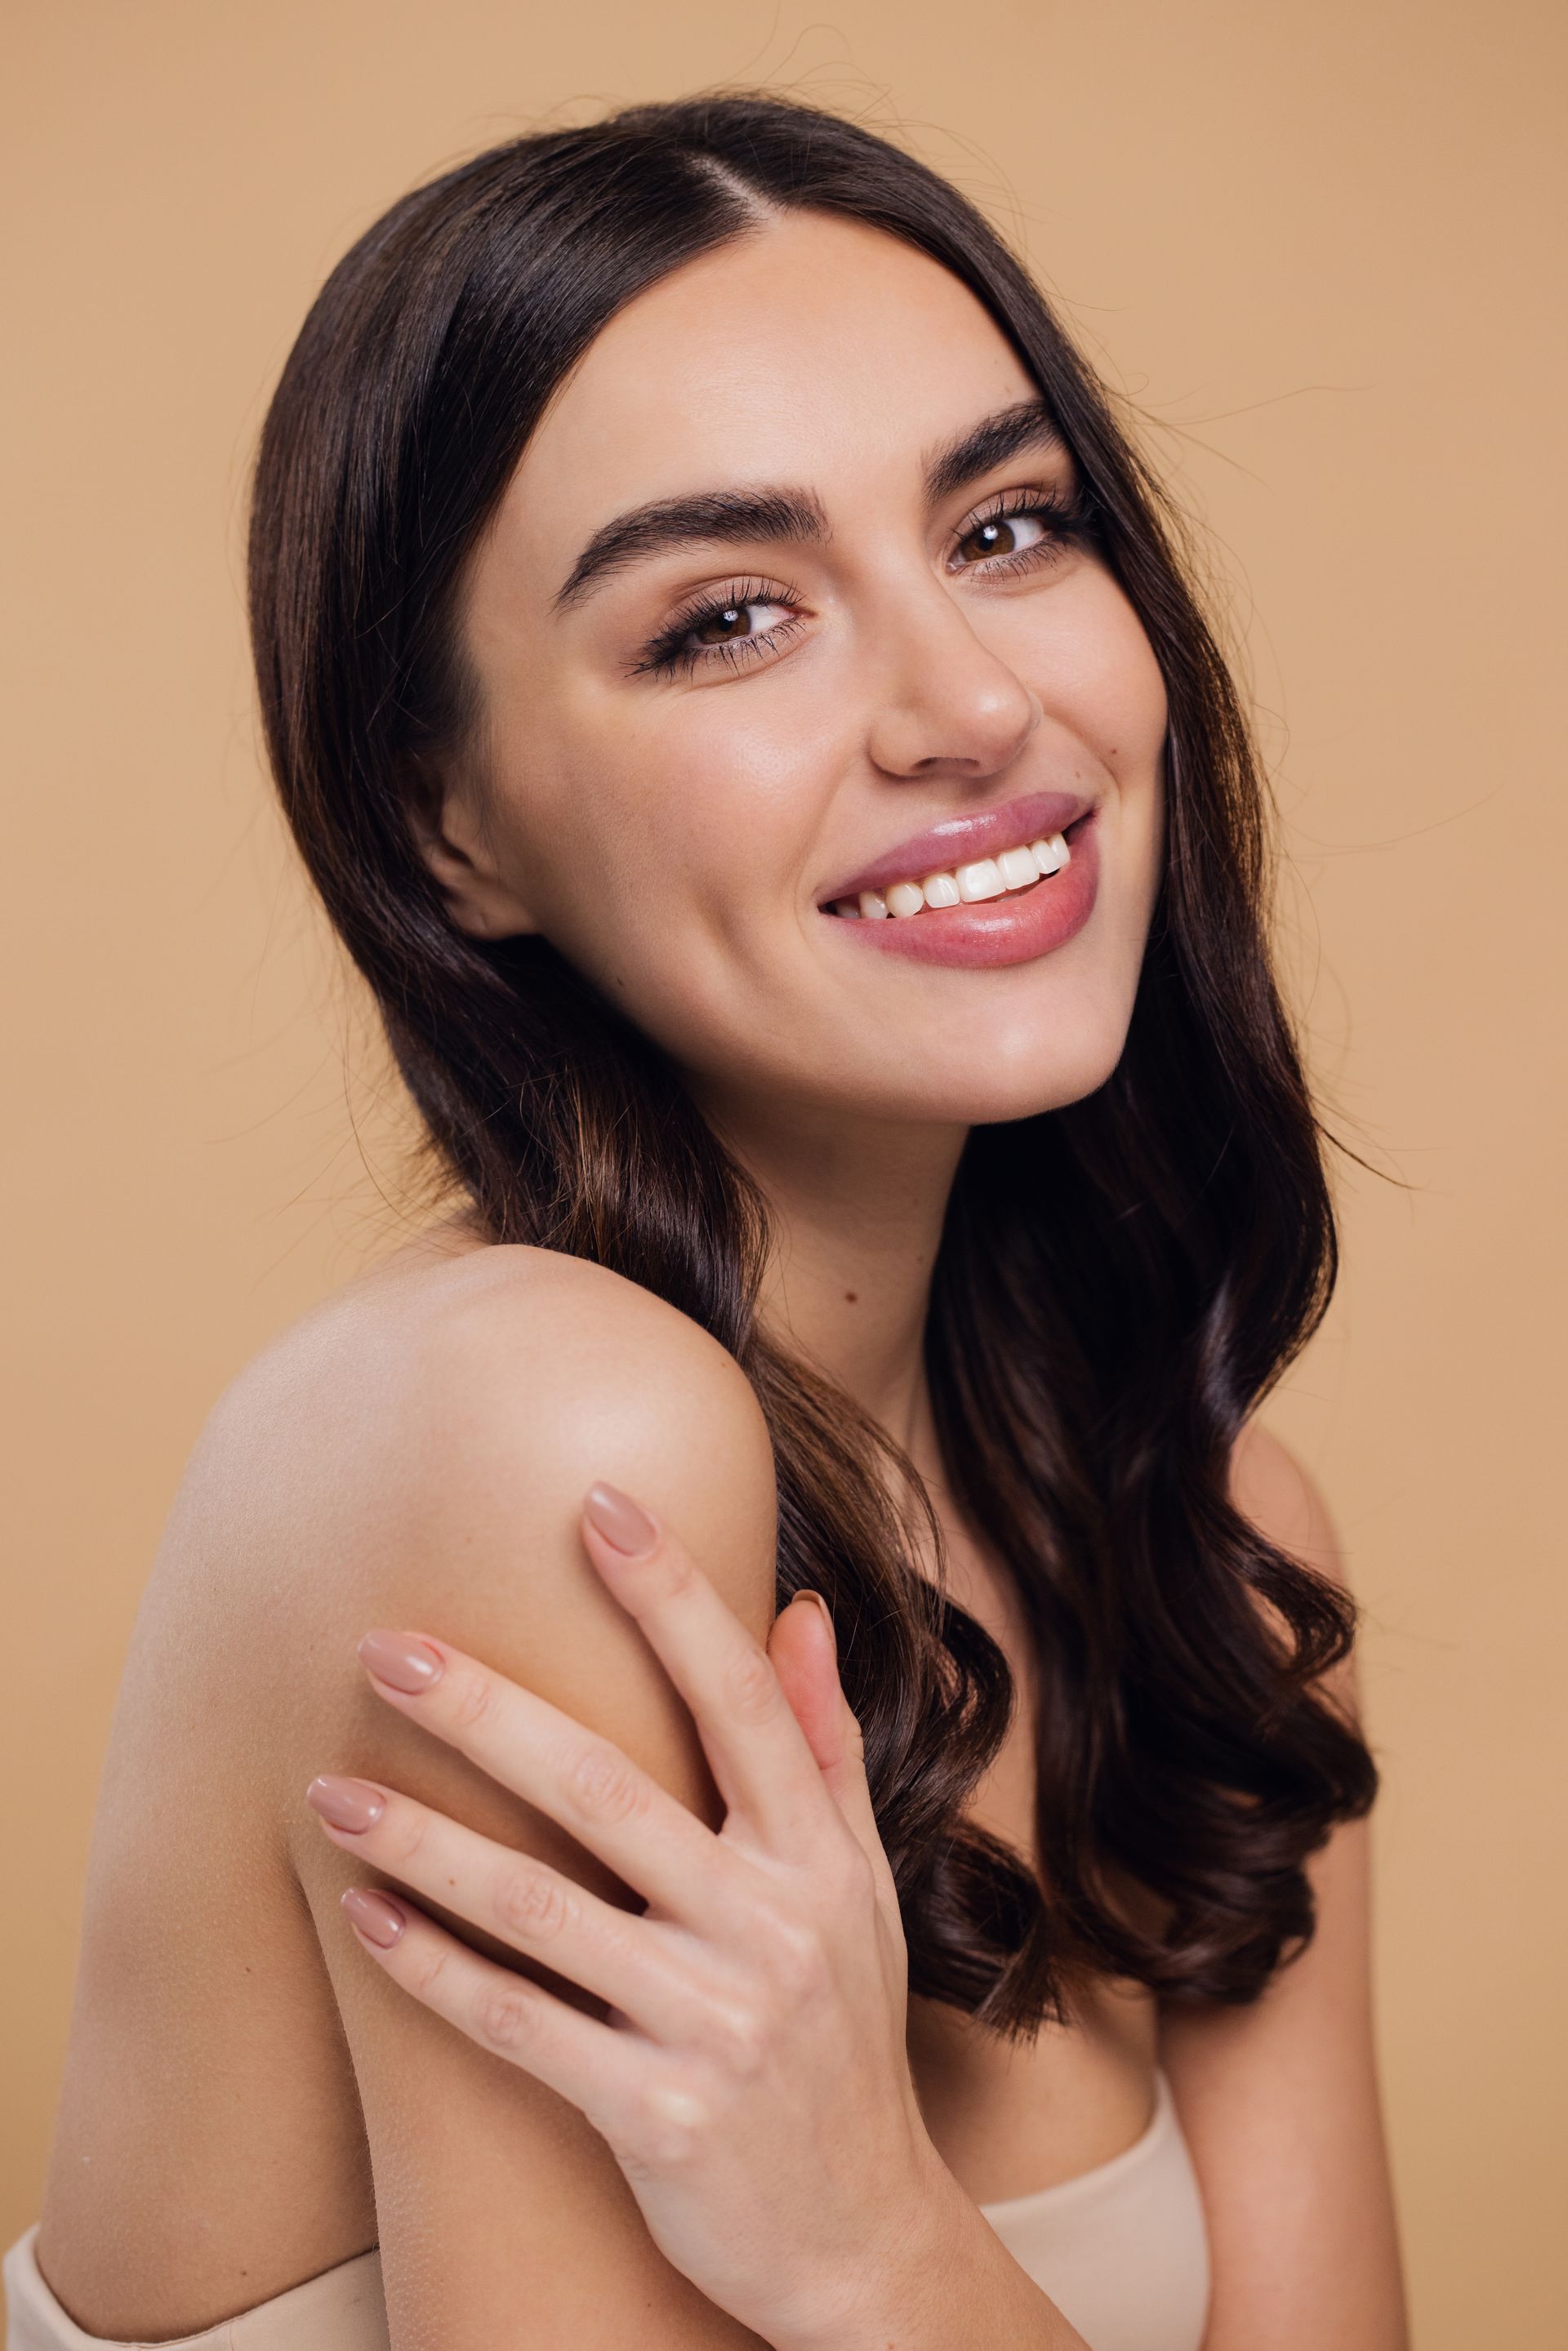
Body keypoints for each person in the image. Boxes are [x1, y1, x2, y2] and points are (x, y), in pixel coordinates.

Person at [4, 91, 1409, 2351]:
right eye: (728, 620)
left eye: (1012, 526)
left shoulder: (1216, 1540)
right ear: (443, 829)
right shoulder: (532, 1437)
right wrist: (873, 2250)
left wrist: (879, 2240)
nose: (971, 705)